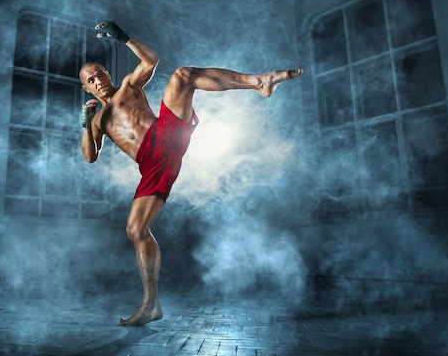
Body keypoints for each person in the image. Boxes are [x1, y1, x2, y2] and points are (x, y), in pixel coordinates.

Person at [79, 20, 302, 326]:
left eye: (101, 73)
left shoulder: (130, 86)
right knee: (135, 230)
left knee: (183, 75)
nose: (98, 80)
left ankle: (258, 82)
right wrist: (83, 123)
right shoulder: (97, 120)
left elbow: (151, 60)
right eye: (91, 79)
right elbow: (90, 156)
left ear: (108, 74)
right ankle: (151, 305)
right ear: (86, 87)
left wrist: (124, 38)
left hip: (165, 135)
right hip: (153, 165)